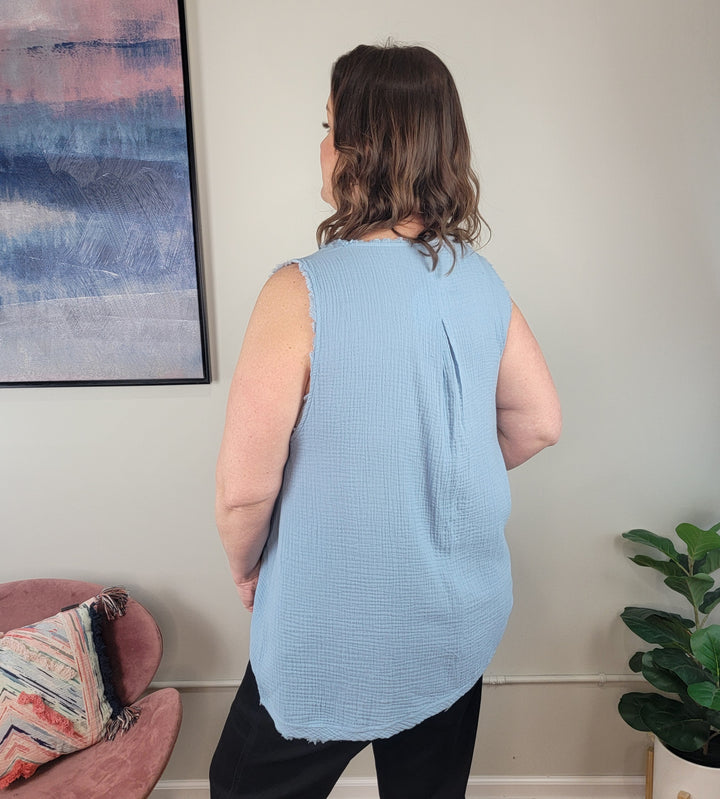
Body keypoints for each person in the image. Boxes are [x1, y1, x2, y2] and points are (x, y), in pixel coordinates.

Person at [210, 42, 561, 799]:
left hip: (328, 630)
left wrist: (245, 567)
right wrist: (438, 474)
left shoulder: (297, 292)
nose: (323, 141)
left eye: (329, 123)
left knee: (239, 787)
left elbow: (244, 492)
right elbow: (538, 423)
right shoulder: (476, 275)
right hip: (451, 618)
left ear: (356, 147)